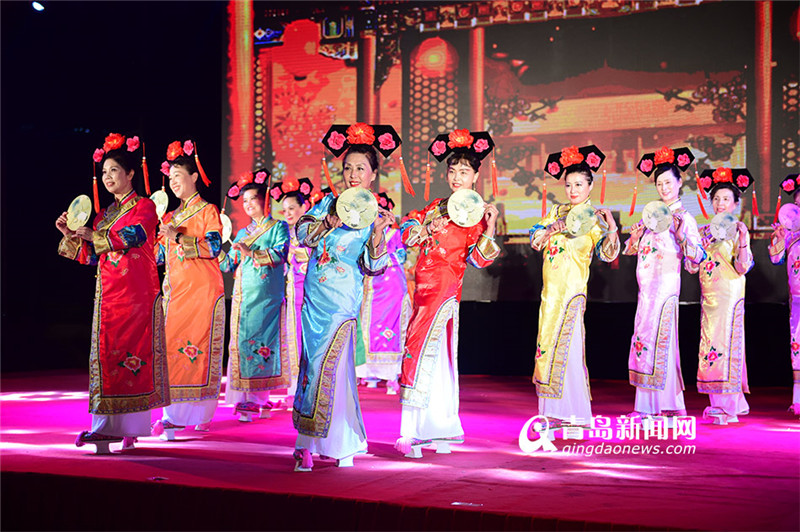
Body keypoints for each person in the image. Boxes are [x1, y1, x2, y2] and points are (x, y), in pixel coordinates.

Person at [292, 123, 397, 471]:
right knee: (311, 366)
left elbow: (374, 267)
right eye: (348, 167)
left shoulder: (374, 215)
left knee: (334, 368)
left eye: (361, 168)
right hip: (314, 299)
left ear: (373, 174)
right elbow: (303, 234)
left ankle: (339, 442)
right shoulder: (327, 203)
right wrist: (328, 222)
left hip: (343, 300)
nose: (353, 174)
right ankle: (306, 441)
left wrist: (378, 234)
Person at [56, 132, 169, 454]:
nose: (107, 177)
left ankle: (110, 430)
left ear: (130, 173)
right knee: (109, 356)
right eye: (104, 172)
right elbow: (92, 256)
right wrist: (70, 235)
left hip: (136, 296)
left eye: (114, 170)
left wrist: (94, 235)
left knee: (130, 358)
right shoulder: (104, 214)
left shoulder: (145, 206)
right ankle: (121, 430)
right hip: (109, 295)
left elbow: (135, 236)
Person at [396, 129, 500, 458]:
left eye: (464, 172)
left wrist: (491, 227)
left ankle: (428, 429)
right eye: (452, 171)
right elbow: (407, 232)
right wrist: (423, 228)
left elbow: (479, 259)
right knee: (419, 351)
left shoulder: (477, 215)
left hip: (445, 291)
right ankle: (423, 430)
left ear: (476, 176)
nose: (456, 177)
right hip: (422, 289)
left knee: (433, 356)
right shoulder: (435, 207)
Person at [529, 145, 619, 428]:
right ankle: (551, 413)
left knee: (568, 351)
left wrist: (612, 227)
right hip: (550, 293)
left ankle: (575, 415)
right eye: (568, 184)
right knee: (546, 347)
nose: (572, 190)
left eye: (579, 184)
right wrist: (549, 230)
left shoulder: (594, 218)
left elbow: (608, 254)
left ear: (590, 185)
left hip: (572, 293)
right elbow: (535, 239)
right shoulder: (556, 212)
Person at [623, 146, 705, 423]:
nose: (664, 188)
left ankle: (667, 406)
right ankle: (646, 406)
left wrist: (681, 235)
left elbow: (697, 259)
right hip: (646, 290)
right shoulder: (651, 217)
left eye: (669, 182)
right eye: (659, 183)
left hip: (666, 287)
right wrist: (635, 237)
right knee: (644, 340)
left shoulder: (685, 218)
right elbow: (631, 250)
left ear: (680, 183)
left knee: (663, 343)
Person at [152, 139, 225, 439]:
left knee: (196, 349)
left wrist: (179, 238)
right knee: (172, 349)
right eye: (170, 178)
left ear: (194, 176)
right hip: (175, 293)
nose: (173, 182)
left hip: (201, 293)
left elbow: (215, 247)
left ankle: (186, 416)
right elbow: (158, 257)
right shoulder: (170, 217)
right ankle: (173, 414)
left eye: (178, 176)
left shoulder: (208, 211)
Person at [220, 169, 290, 422]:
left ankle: (256, 398)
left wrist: (251, 253)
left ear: (265, 200)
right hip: (243, 297)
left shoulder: (278, 227)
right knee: (243, 343)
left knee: (263, 342)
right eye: (245, 200)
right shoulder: (242, 233)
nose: (248, 204)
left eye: (253, 199)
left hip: (266, 297)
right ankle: (249, 396)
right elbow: (228, 264)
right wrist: (217, 250)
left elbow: (280, 254)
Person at [687, 168, 754, 425]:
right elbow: (692, 266)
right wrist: (689, 243)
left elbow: (742, 266)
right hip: (709, 296)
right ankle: (718, 403)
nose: (720, 203)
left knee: (727, 343)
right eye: (716, 199)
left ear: (736, 203)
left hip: (729, 294)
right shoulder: (704, 231)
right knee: (710, 345)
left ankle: (729, 407)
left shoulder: (738, 230)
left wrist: (744, 239)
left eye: (726, 199)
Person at [355, 192, 410, 395]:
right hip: (372, 286)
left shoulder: (395, 234)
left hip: (392, 287)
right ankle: (369, 373)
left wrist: (378, 258)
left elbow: (401, 256)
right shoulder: (365, 233)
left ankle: (392, 374)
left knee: (391, 327)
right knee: (369, 326)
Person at [269, 177, 314, 407]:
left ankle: (309, 389)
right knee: (292, 336)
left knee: (308, 338)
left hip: (311, 291)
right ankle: (295, 389)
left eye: (292, 208)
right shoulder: (284, 233)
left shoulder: (313, 231)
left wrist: (301, 254)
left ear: (303, 207)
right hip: (291, 291)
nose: (287, 213)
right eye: (284, 210)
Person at [768, 173, 800, 416]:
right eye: (797, 204)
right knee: (797, 347)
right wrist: (779, 239)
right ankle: (797, 400)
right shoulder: (789, 234)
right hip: (797, 300)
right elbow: (776, 258)